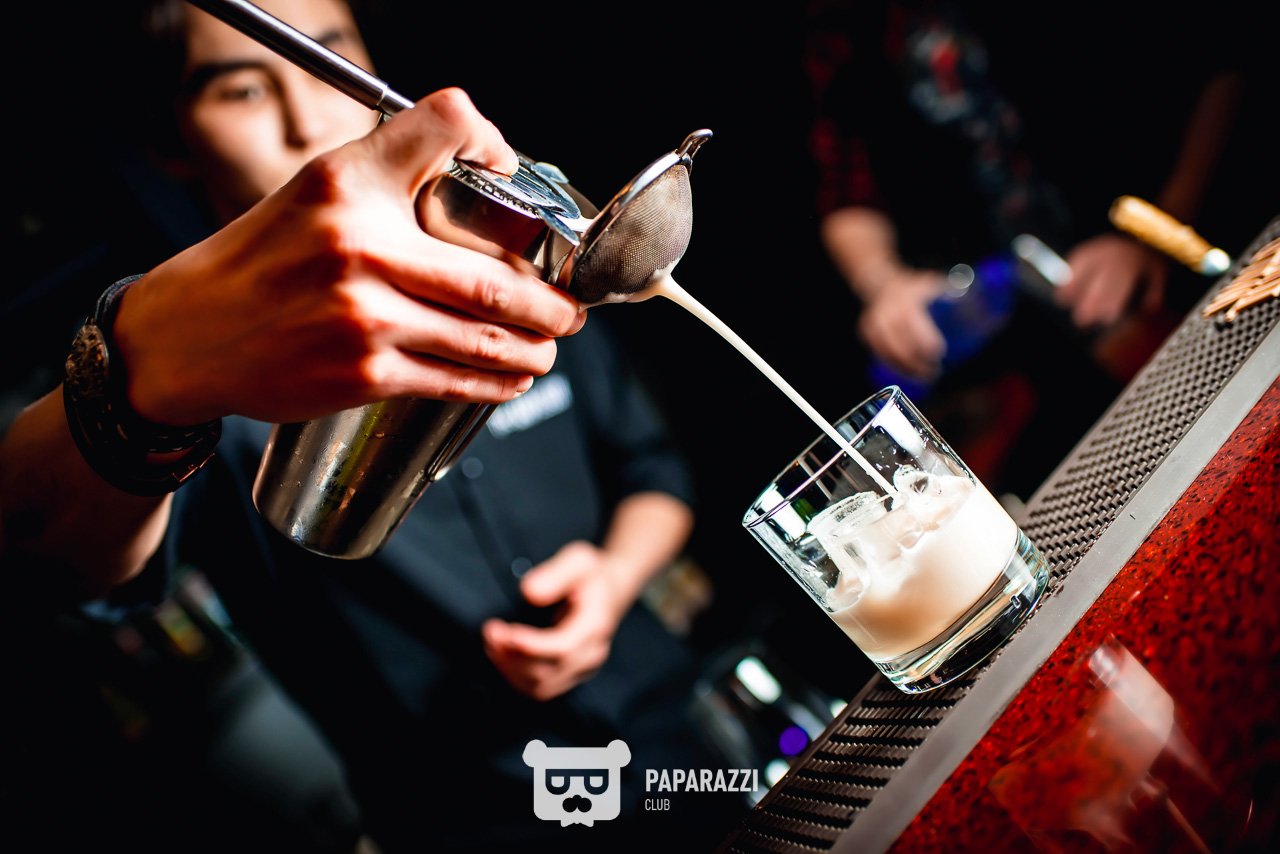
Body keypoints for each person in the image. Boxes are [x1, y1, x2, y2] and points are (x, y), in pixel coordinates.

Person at [2, 0, 745, 851]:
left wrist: (613, 578)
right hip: (472, 819)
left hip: (676, 747)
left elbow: (653, 470)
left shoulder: (513, 269)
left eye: (328, 60)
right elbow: (46, 558)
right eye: (242, 90)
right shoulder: (203, 374)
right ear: (173, 140)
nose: (307, 116)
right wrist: (146, 361)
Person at [804, 0, 1256, 500]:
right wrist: (883, 281)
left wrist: (1157, 229)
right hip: (1020, 312)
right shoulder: (843, 23)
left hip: (1178, 240)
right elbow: (845, 181)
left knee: (1230, 419)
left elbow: (1221, 54)